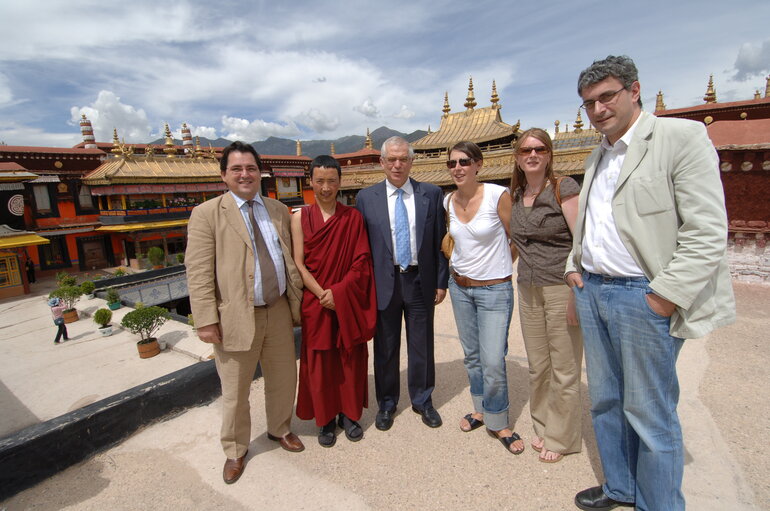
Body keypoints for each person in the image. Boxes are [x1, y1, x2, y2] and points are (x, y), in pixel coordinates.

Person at [567, 56, 736, 511]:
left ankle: (658, 504)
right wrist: (573, 266)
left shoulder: (679, 138)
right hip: (594, 289)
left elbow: (705, 231)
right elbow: (590, 224)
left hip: (640, 295)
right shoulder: (595, 154)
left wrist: (663, 297)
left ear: (634, 90)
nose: (598, 109)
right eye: (589, 103)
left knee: (649, 411)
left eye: (607, 96)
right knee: (604, 400)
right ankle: (621, 487)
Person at [186, 141, 305, 485]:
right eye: (237, 168)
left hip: (278, 309)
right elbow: (198, 271)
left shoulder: (278, 210)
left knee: (283, 379)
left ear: (260, 173)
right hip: (235, 315)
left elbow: (288, 258)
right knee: (235, 390)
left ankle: (280, 428)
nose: (245, 174)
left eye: (251, 168)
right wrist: (206, 319)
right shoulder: (207, 214)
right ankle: (235, 449)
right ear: (223, 175)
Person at [356, 136, 448, 431]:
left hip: (421, 279)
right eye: (391, 159)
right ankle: (386, 403)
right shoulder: (365, 198)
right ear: (381, 163)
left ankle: (422, 399)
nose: (397, 165)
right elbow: (361, 247)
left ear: (411, 161)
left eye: (403, 159)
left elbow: (440, 241)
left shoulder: (431, 194)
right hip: (385, 281)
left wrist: (441, 281)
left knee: (422, 344)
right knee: (386, 346)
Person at [292, 155, 377, 447]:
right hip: (316, 302)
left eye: (331, 181)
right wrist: (321, 294)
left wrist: (338, 293)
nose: (326, 187)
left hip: (347, 299)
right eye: (320, 181)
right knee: (320, 361)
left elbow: (361, 262)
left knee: (350, 357)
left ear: (340, 182)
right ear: (311, 183)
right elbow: (298, 263)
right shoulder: (299, 218)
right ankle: (326, 418)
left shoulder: (353, 218)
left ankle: (350, 414)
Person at [444, 141, 524, 455]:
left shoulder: (496, 195)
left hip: (494, 290)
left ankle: (499, 420)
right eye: (452, 163)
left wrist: (501, 268)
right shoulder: (447, 201)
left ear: (478, 164)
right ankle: (480, 409)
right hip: (459, 288)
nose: (458, 168)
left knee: (492, 359)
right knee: (473, 356)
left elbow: (516, 237)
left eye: (464, 162)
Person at [509, 128, 583, 463]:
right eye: (526, 150)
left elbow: (582, 241)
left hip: (559, 286)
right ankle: (543, 427)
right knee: (539, 366)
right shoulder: (516, 194)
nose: (533, 155)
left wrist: (576, 292)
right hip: (528, 287)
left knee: (564, 367)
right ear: (518, 157)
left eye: (539, 149)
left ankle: (562, 437)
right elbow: (515, 245)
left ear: (549, 154)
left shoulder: (563, 188)